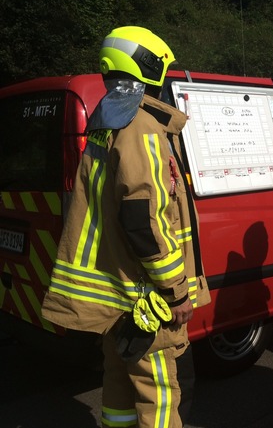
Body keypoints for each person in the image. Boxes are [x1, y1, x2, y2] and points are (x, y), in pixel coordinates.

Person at [41, 26, 210, 428]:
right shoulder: (143, 128)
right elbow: (143, 220)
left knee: (117, 385)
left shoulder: (108, 121)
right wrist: (175, 290)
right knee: (161, 397)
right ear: (148, 68)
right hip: (146, 297)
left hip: (117, 294)